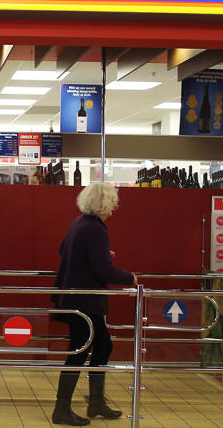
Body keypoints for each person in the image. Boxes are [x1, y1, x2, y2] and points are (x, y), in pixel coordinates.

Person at [50, 183, 136, 426]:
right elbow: (103, 271)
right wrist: (130, 278)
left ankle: (96, 402)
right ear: (104, 204)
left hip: (78, 299)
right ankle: (62, 409)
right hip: (85, 301)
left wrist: (101, 254)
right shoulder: (96, 229)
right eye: (113, 203)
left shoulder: (79, 223)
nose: (114, 208)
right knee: (80, 352)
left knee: (102, 346)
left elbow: (63, 249)